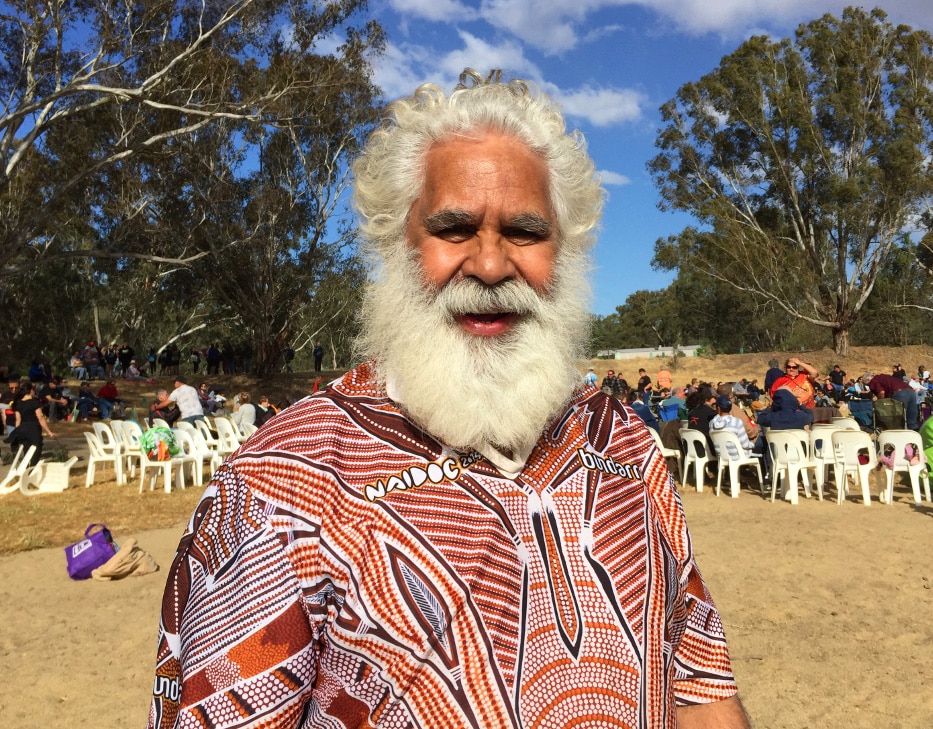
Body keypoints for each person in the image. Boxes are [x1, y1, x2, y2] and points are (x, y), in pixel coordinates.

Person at [146, 70, 748, 729]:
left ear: (566, 251)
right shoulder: (279, 483)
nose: (490, 265)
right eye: (455, 229)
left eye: (524, 232)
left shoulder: (624, 439)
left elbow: (699, 682)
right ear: (397, 244)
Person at [6, 380, 55, 465]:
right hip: (33, 429)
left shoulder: (18, 404)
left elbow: (18, 421)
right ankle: (32, 468)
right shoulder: (34, 403)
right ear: (30, 391)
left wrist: (17, 432)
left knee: (27, 451)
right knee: (36, 451)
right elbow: (40, 418)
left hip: (22, 430)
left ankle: (26, 468)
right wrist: (48, 432)